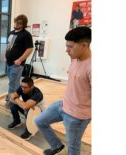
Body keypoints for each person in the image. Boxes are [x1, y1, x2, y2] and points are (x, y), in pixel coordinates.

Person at [35, 27, 91, 155]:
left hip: (77, 116)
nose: (67, 50)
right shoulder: (75, 58)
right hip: (64, 104)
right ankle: (58, 147)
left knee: (73, 149)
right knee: (40, 121)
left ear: (84, 45)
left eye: (70, 47)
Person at [5, 14, 34, 105]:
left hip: (17, 64)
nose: (17, 24)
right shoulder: (11, 33)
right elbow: (9, 45)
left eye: (20, 23)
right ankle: (15, 97)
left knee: (13, 83)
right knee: (13, 82)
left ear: (24, 24)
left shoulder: (26, 35)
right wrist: (6, 55)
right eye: (16, 22)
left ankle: (11, 102)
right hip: (8, 62)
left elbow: (29, 49)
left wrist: (20, 60)